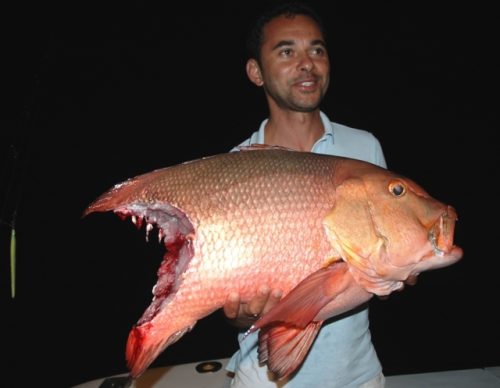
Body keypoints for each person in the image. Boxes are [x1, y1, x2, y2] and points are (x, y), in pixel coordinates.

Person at [222, 2, 390, 387]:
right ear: (255, 72)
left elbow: (376, 269)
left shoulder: (364, 150)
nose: (307, 64)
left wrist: (400, 265)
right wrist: (242, 312)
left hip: (357, 377)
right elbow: (232, 311)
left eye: (317, 50)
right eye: (286, 51)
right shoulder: (234, 167)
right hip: (264, 379)